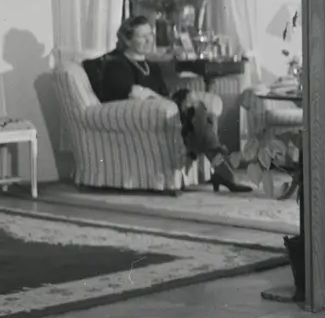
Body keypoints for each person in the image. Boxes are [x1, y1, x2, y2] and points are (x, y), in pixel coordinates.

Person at [91, 16, 252, 193]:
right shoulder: (116, 63)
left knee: (198, 111)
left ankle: (220, 168)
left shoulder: (152, 66)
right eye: (143, 36)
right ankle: (222, 170)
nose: (149, 40)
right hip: (137, 119)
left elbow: (162, 94)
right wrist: (167, 100)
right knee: (199, 117)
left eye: (150, 35)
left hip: (159, 114)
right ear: (127, 40)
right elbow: (131, 93)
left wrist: (185, 97)